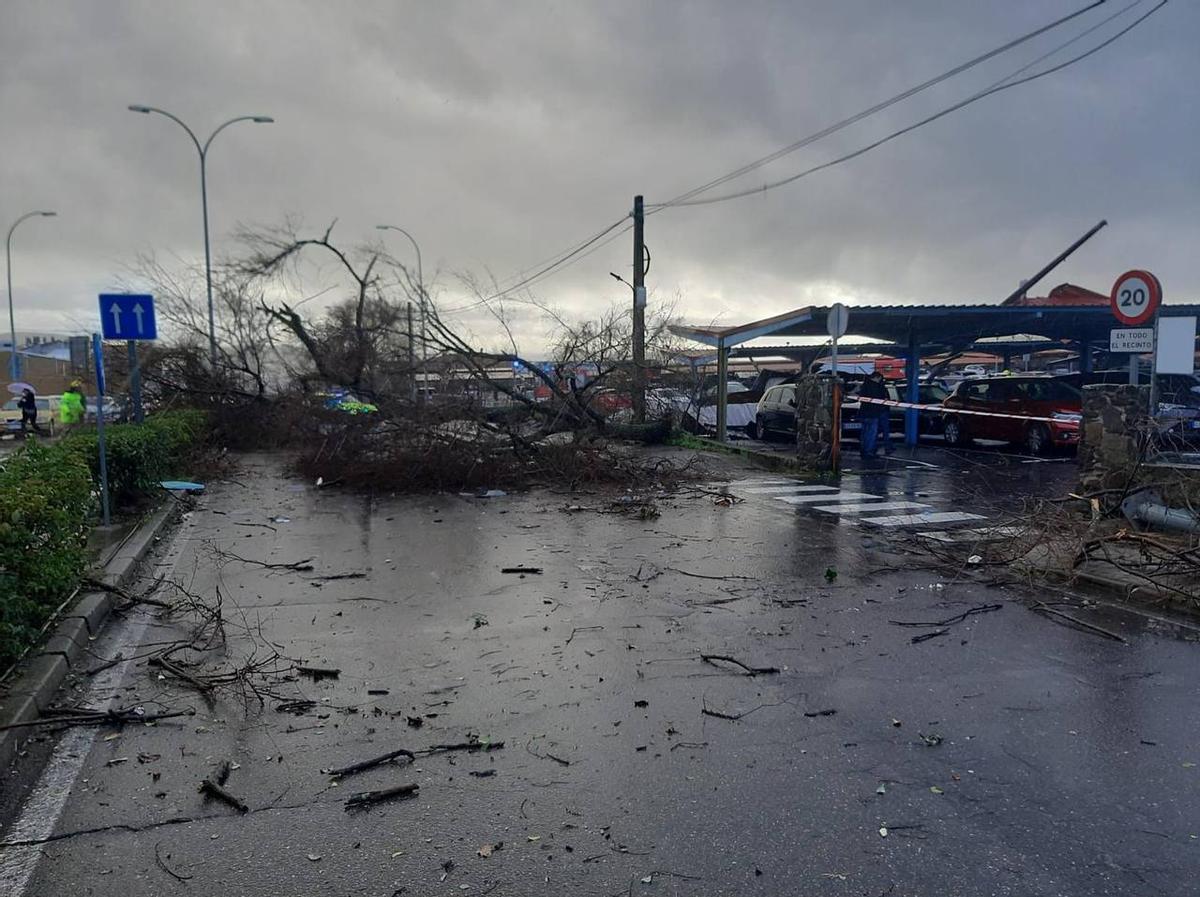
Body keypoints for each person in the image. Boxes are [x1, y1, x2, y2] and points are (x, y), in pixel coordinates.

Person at [857, 370, 890, 457]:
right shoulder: (876, 386)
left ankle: (863, 450)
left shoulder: (864, 385)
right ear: (877, 377)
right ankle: (869, 452)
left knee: (864, 433)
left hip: (863, 412)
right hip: (872, 413)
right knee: (871, 434)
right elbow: (879, 399)